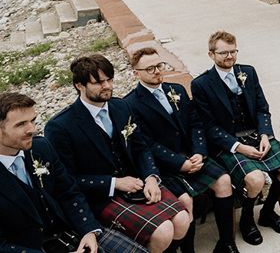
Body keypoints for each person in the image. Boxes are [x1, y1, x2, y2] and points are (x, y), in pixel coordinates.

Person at [45, 55, 189, 253]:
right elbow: (67, 180)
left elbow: (140, 148)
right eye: (99, 82)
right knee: (163, 231)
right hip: (102, 197)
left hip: (138, 185)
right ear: (80, 85)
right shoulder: (60, 126)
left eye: (109, 80)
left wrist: (151, 178)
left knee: (182, 219)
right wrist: (115, 183)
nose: (107, 86)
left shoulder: (121, 106)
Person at [190, 32, 280, 247]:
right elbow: (208, 127)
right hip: (228, 143)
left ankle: (267, 212)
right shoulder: (201, 84)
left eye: (233, 51)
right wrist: (238, 147)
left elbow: (262, 108)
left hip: (255, 135)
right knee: (255, 179)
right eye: (223, 53)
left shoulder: (248, 72)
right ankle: (247, 218)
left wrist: (265, 135)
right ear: (211, 54)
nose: (229, 56)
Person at [0, 92, 147, 253]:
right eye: (21, 124)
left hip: (72, 233)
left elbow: (68, 192)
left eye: (33, 121)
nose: (32, 130)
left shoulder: (41, 148)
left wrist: (89, 230)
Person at [124, 47, 237, 253]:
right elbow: (146, 144)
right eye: (149, 69)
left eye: (159, 65)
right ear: (135, 73)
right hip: (165, 167)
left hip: (192, 157)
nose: (157, 71)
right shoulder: (130, 104)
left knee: (224, 181)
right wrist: (180, 163)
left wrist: (200, 152)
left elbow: (195, 124)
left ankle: (227, 242)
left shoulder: (176, 89)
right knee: (185, 200)